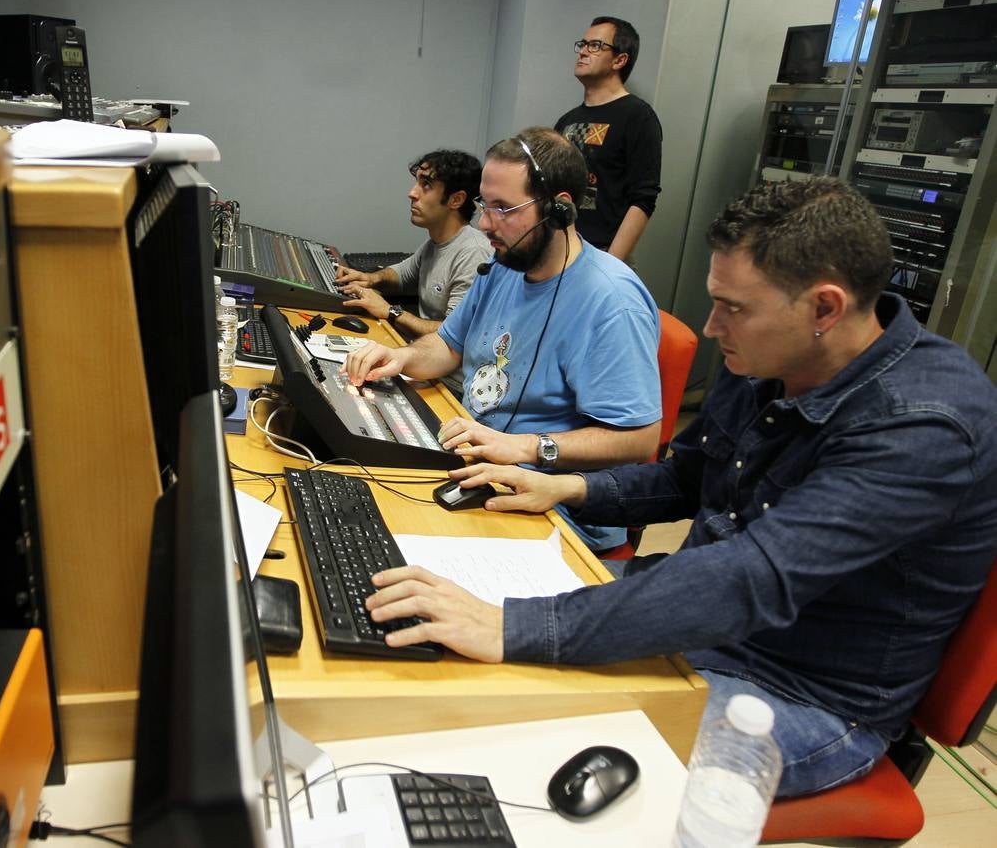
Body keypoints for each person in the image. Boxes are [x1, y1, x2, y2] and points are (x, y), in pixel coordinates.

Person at [364, 177, 997, 798]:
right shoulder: (773, 360)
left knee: (505, 731)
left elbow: (750, 579)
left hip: (798, 692)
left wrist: (512, 628)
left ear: (825, 308)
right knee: (436, 631)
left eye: (736, 308)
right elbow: (683, 478)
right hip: (703, 624)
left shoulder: (922, 425)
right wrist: (562, 489)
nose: (713, 327)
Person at [345, 127, 661, 550]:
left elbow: (639, 440)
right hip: (475, 458)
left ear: (560, 209)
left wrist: (526, 447)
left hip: (548, 501)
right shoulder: (504, 264)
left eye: (504, 208)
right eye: (484, 204)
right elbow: (448, 346)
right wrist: (399, 357)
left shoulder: (612, 302)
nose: (486, 224)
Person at [332, 150, 491, 395]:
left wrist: (391, 311)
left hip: (450, 386)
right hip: (425, 365)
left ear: (456, 200)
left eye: (425, 184)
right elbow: (402, 274)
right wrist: (370, 279)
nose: (412, 193)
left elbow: (453, 334)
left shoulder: (473, 253)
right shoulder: (435, 243)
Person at [555, 16, 662, 262]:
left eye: (595, 46)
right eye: (582, 44)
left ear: (619, 59)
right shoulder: (567, 121)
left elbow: (644, 198)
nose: (582, 52)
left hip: (599, 255)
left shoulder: (637, 116)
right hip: (557, 251)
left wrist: (610, 263)